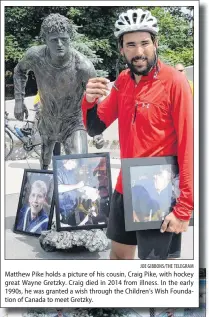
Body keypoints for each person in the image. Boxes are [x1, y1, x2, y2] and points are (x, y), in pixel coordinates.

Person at [82, 8, 193, 260]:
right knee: (119, 258)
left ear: (155, 43)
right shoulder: (122, 81)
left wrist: (184, 208)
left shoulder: (174, 82)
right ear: (121, 48)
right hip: (125, 185)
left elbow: (190, 146)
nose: (139, 51)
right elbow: (95, 127)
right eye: (130, 44)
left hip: (159, 190)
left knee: (155, 272)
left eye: (144, 43)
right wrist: (89, 100)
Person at [13, 13, 96, 170]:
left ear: (70, 38)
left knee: (80, 164)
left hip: (73, 122)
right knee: (44, 166)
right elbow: (19, 71)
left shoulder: (83, 67)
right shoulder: (35, 56)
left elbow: (95, 99)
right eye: (54, 40)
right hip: (47, 120)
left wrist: (97, 131)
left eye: (64, 39)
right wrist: (19, 101)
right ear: (45, 40)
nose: (59, 44)